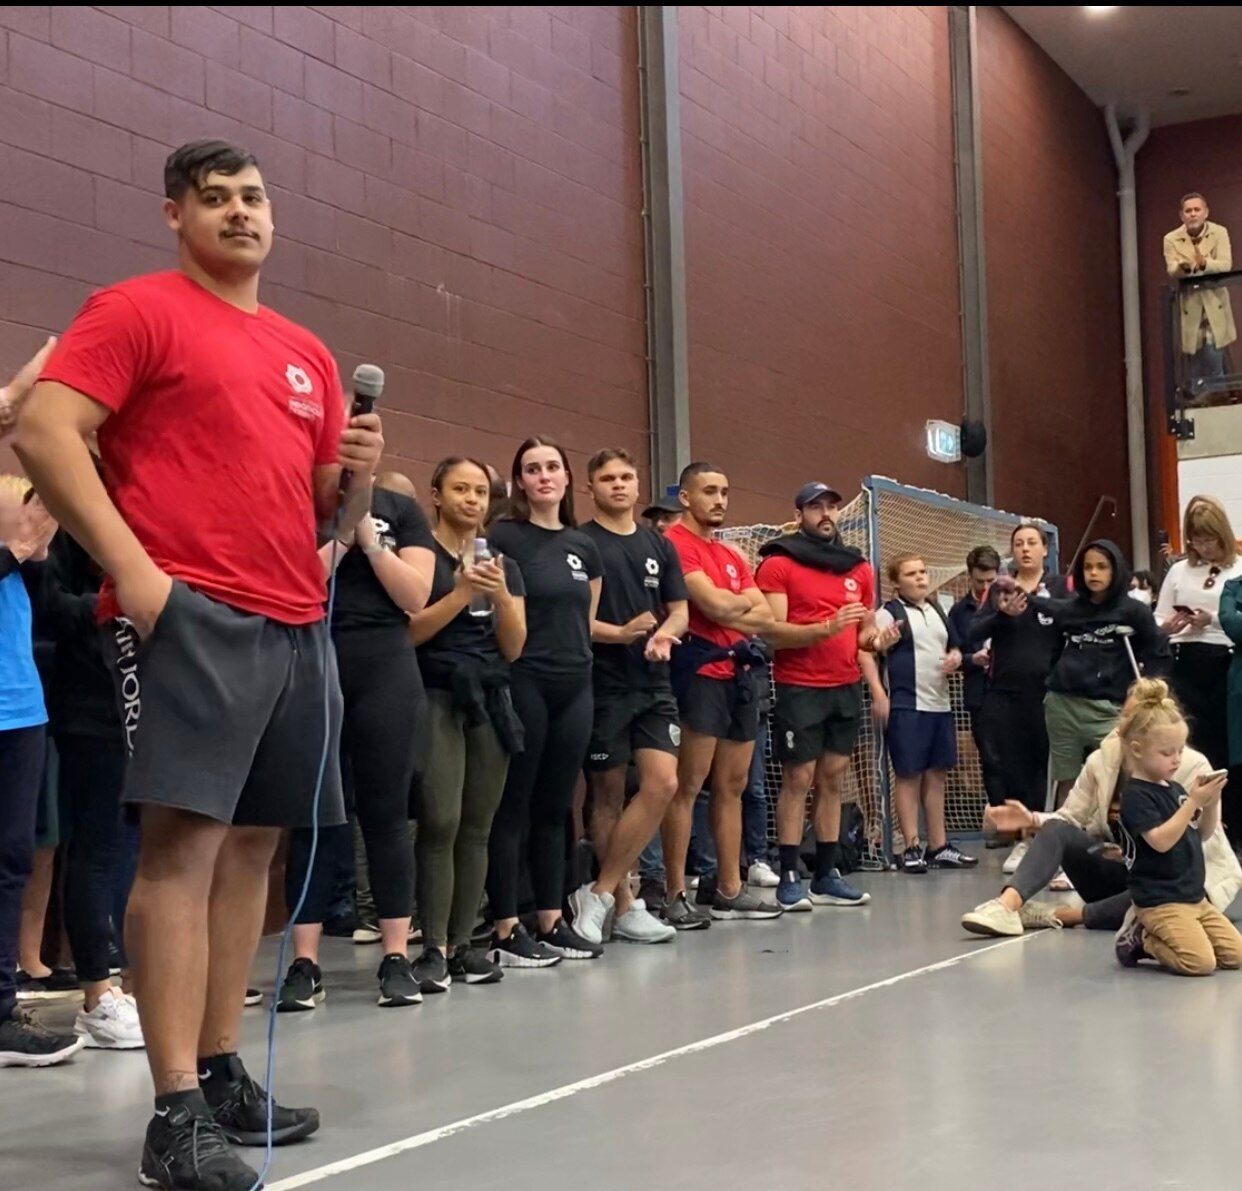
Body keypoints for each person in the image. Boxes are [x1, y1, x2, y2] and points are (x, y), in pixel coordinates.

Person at [15, 139, 384, 1190]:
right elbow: (44, 427)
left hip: (291, 620)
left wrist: (355, 481)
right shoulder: (136, 310)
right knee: (182, 848)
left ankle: (221, 1066)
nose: (239, 212)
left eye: (253, 197)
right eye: (213, 199)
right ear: (174, 216)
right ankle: (173, 1112)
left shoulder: (307, 354)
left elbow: (329, 516)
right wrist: (135, 572)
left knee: (256, 848)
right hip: (191, 611)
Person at [278, 471, 435, 1012]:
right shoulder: (297, 497)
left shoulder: (401, 508)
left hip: (386, 666)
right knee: (314, 815)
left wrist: (370, 541)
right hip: (314, 659)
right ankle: (305, 962)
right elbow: (291, 582)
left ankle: (395, 956)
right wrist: (342, 538)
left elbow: (415, 594)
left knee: (386, 813)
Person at [961, 681, 1242, 938]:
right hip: (1124, 871)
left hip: (1179, 883)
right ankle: (1006, 907)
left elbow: (1202, 843)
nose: (1124, 726)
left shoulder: (1190, 765)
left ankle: (1062, 915)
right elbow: (1070, 818)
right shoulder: (1102, 759)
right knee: (1057, 830)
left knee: (1155, 891)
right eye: (1126, 717)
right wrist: (1030, 821)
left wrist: (1150, 846)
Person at [485, 437, 603, 965]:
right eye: (532, 469)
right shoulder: (504, 536)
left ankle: (552, 920)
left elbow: (586, 619)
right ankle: (507, 926)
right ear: (520, 482)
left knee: (557, 807)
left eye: (553, 466)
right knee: (515, 805)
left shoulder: (583, 545)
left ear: (567, 478)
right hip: (525, 679)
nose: (544, 476)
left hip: (576, 684)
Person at [409, 457, 526, 991]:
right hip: (435, 692)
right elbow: (409, 634)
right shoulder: (418, 556)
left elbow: (514, 645)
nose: (472, 499)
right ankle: (430, 946)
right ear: (436, 494)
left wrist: (498, 592)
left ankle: (463, 944)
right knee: (440, 819)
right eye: (460, 488)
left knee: (478, 826)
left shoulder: (503, 562)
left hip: (491, 697)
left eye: (480, 490)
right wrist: (459, 592)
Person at [36, 506, 144, 1049]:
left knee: (129, 847)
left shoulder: (136, 500)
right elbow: (46, 604)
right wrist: (111, 607)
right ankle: (96, 995)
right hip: (89, 706)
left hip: (138, 705)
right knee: (95, 848)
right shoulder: (63, 502)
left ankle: (118, 980)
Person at [569, 449, 686, 945]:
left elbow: (678, 611)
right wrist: (621, 634)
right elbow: (575, 623)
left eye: (626, 476)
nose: (618, 485)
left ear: (638, 486)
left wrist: (662, 636)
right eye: (607, 478)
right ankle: (623, 903)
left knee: (662, 783)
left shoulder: (658, 544)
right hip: (602, 683)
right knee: (608, 794)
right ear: (591, 488)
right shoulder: (581, 543)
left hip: (653, 684)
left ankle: (598, 893)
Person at [662, 462, 780, 926]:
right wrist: (737, 607)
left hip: (741, 676)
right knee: (688, 785)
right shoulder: (675, 544)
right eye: (709, 491)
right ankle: (675, 893)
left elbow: (765, 614)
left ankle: (729, 888)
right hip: (699, 675)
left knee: (732, 786)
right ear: (686, 497)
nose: (720, 500)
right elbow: (710, 605)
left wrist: (734, 608)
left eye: (725, 491)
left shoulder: (730, 554)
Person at [756, 481, 880, 910]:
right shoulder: (779, 563)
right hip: (800, 687)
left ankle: (828, 874)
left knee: (833, 779)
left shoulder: (859, 569)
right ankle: (789, 873)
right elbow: (773, 632)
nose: (825, 513)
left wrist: (878, 639)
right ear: (800, 513)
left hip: (844, 687)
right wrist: (825, 629)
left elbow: (864, 633)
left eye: (831, 506)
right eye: (816, 507)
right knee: (798, 780)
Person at [0, 472, 83, 1068]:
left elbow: (46, 606)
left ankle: (3, 1008)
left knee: (12, 862)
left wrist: (38, 553)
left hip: (23, 708)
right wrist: (16, 549)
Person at [1113, 680, 1242, 976]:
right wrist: (1191, 802)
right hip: (1161, 901)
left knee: (1235, 956)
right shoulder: (1136, 795)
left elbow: (1201, 835)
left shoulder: (1173, 788)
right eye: (1166, 752)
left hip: (1194, 897)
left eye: (1180, 751)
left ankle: (1179, 933)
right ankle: (1143, 939)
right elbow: (1160, 841)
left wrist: (1210, 803)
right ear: (1137, 750)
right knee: (1200, 963)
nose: (1177, 759)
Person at [872, 556, 976, 874]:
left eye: (922, 572)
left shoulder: (937, 610)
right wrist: (881, 644)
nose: (919, 578)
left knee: (937, 775)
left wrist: (956, 657)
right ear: (896, 583)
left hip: (941, 705)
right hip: (908, 705)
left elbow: (955, 648)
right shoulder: (888, 613)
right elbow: (873, 645)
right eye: (911, 574)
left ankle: (938, 846)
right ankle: (912, 846)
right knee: (908, 776)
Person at [968, 524, 1062, 874]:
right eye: (1018, 543)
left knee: (1045, 770)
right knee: (1012, 768)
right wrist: (1000, 615)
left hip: (1047, 695)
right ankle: (1023, 840)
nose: (1025, 549)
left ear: (1044, 549)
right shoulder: (1000, 588)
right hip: (1004, 695)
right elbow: (972, 633)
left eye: (1031, 543)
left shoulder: (1059, 588)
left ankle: (1049, 841)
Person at [1044, 540, 1167, 806]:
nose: (1093, 573)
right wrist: (1052, 680)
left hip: (1111, 708)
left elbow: (1157, 654)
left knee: (1121, 773)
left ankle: (1120, 837)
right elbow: (1052, 651)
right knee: (1067, 779)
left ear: (1115, 570)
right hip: (1064, 705)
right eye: (1088, 567)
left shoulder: (1134, 611)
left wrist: (1142, 694)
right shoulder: (1069, 610)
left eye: (1101, 567)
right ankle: (1070, 837)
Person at [1155, 497, 1242, 784]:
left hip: (1225, 663)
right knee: (1186, 740)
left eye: (1209, 540)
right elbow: (1158, 617)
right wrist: (1168, 626)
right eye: (1196, 541)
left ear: (1223, 536)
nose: (1203, 547)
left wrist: (1213, 619)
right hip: (1182, 661)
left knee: (1223, 743)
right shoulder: (1179, 571)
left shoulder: (1238, 569)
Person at [949, 546, 1004, 808]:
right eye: (979, 581)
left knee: (1018, 757)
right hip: (979, 693)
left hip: (1013, 691)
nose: (985, 587)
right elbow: (953, 655)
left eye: (990, 581)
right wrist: (973, 659)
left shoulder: (1011, 604)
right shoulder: (958, 613)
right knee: (990, 758)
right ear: (969, 576)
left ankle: (1028, 821)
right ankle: (1002, 822)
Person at [1163, 192, 1235, 389]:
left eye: (1197, 210)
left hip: (1214, 305)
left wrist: (1204, 264)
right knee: (1194, 367)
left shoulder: (1219, 232)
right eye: (1188, 211)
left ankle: (1217, 405)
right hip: (1190, 307)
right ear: (1182, 215)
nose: (1193, 214)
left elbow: (1225, 264)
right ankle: (1201, 407)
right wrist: (1183, 268)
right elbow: (1172, 269)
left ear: (1205, 213)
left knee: (1213, 359)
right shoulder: (1171, 239)